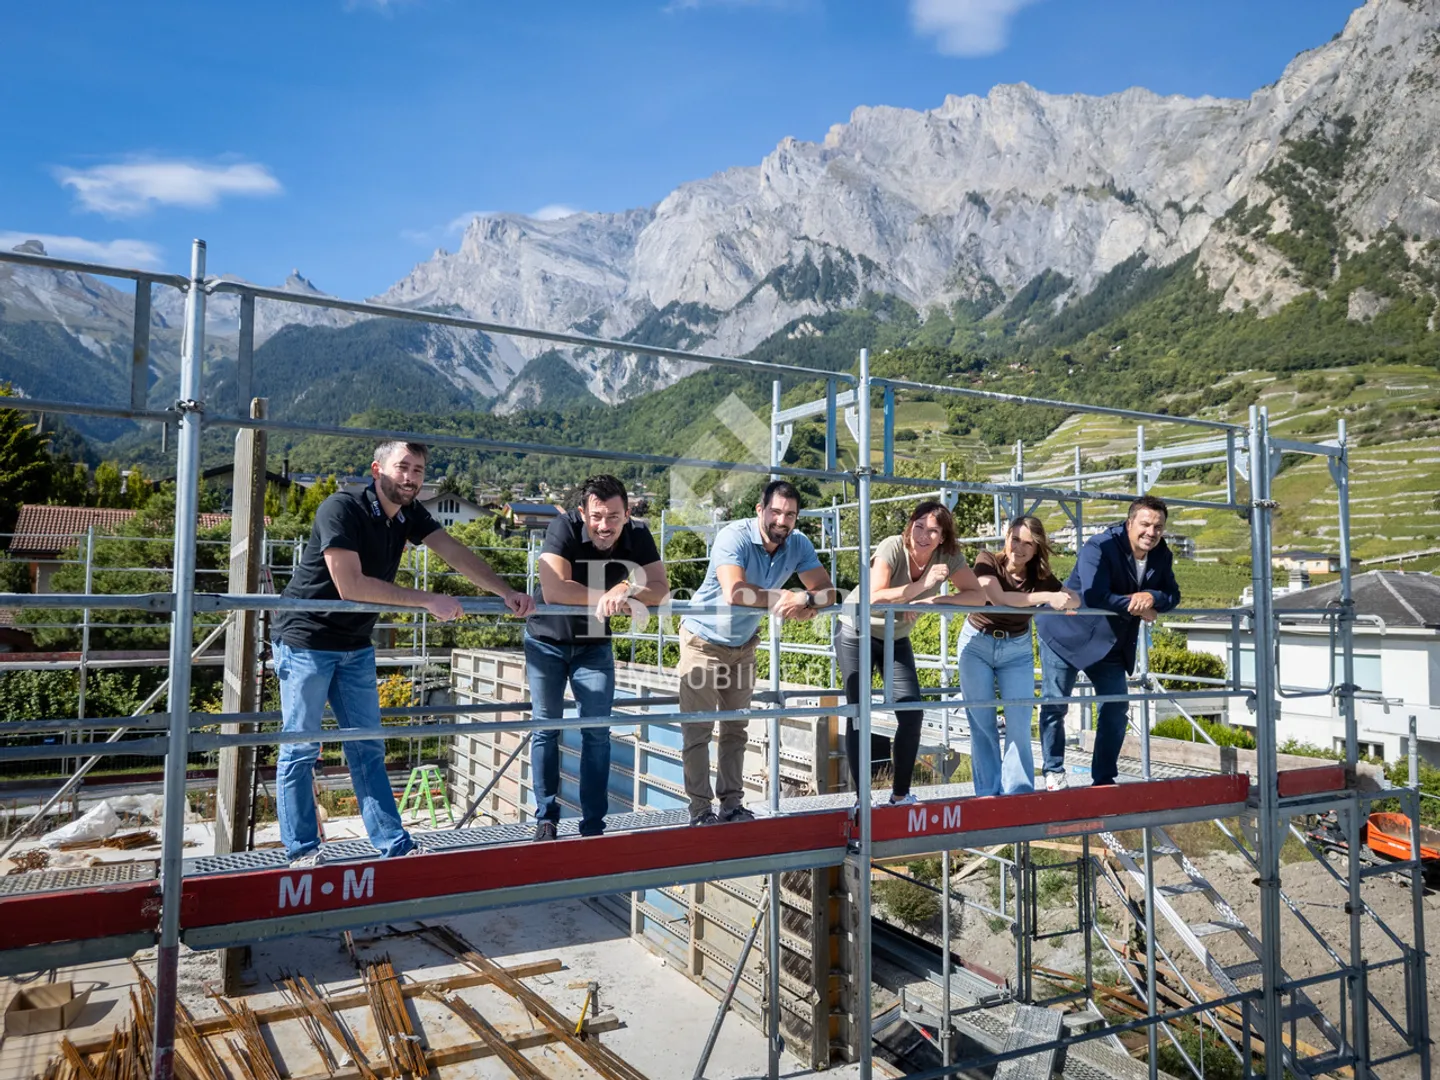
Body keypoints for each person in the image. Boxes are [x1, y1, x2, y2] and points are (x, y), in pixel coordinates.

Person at [272, 441, 534, 866]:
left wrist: (505, 591)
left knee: (367, 748)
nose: (410, 477)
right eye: (402, 468)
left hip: (354, 644)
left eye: (418, 470)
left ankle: (394, 846)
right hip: (307, 640)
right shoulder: (341, 509)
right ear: (378, 470)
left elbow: (454, 553)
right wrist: (428, 599)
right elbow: (351, 587)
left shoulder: (410, 513)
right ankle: (302, 852)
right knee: (301, 748)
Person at [679, 480, 837, 825]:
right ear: (760, 510)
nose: (783, 520)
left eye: (791, 514)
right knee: (698, 730)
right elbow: (735, 592)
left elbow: (829, 593)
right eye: (776, 511)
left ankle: (732, 806)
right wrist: (786, 598)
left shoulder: (798, 544)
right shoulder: (733, 537)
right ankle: (700, 811)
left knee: (736, 729)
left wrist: (806, 599)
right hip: (703, 641)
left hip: (744, 645)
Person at [525, 475, 668, 841]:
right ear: (582, 512)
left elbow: (661, 588)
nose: (604, 526)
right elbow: (555, 590)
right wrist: (608, 595)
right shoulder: (564, 527)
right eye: (597, 516)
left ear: (627, 513)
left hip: (594, 642)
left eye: (614, 517)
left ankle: (593, 826)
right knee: (546, 727)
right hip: (547, 640)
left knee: (598, 731)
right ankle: (547, 817)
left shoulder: (638, 534)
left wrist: (626, 587)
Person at [839, 500, 986, 804]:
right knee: (859, 712)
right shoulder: (893, 546)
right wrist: (920, 589)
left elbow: (977, 596)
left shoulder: (949, 557)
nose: (923, 535)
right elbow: (874, 596)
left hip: (896, 636)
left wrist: (933, 602)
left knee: (911, 713)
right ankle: (861, 798)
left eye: (933, 531)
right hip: (858, 630)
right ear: (910, 527)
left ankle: (900, 795)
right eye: (918, 526)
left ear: (943, 537)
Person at [1036, 495, 1180, 788]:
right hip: (1067, 634)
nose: (1151, 533)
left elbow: (1173, 594)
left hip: (1110, 643)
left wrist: (1152, 597)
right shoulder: (1098, 546)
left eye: (1158, 527)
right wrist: (1136, 605)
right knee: (1056, 705)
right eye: (1145, 524)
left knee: (1115, 708)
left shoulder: (1162, 553)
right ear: (1130, 523)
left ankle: (1103, 779)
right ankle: (1053, 770)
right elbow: (1093, 594)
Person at [958, 516, 1077, 797]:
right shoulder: (987, 560)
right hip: (977, 643)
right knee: (982, 722)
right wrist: (1046, 597)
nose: (1019, 548)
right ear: (1006, 535)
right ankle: (987, 794)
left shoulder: (1040, 576)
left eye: (1028, 543)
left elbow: (1074, 600)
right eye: (1016, 539)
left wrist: (1062, 598)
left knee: (1020, 723)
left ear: (1036, 549)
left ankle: (1018, 793)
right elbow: (998, 597)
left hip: (1017, 650)